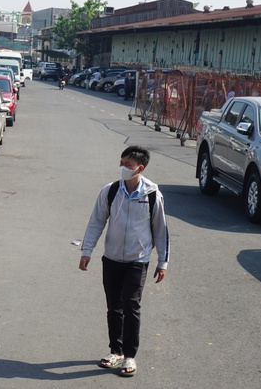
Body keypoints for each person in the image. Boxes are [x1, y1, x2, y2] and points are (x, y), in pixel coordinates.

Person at [78, 145, 169, 378]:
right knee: (114, 306)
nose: (122, 168)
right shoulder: (110, 191)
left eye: (127, 165)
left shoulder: (151, 195)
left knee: (131, 304)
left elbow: (160, 230)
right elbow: (96, 222)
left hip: (138, 260)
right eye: (121, 163)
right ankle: (115, 351)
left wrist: (163, 262)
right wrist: (86, 250)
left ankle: (129, 356)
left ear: (140, 168)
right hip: (111, 258)